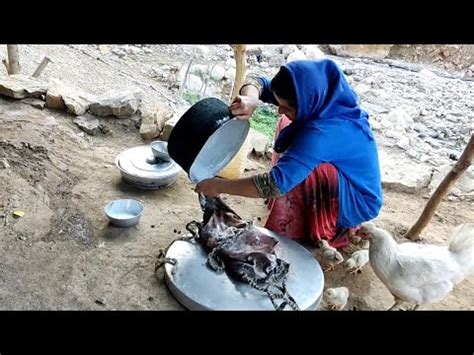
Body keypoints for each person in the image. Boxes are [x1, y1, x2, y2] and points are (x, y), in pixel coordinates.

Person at [195, 59, 383, 249]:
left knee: (304, 169)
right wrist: (251, 99)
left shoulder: (324, 134)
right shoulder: (321, 97)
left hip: (357, 201)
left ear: (307, 103)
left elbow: (274, 184)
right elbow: (257, 81)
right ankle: (295, 206)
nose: (279, 109)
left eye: (287, 107)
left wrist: (218, 186)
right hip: (342, 173)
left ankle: (316, 226)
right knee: (287, 124)